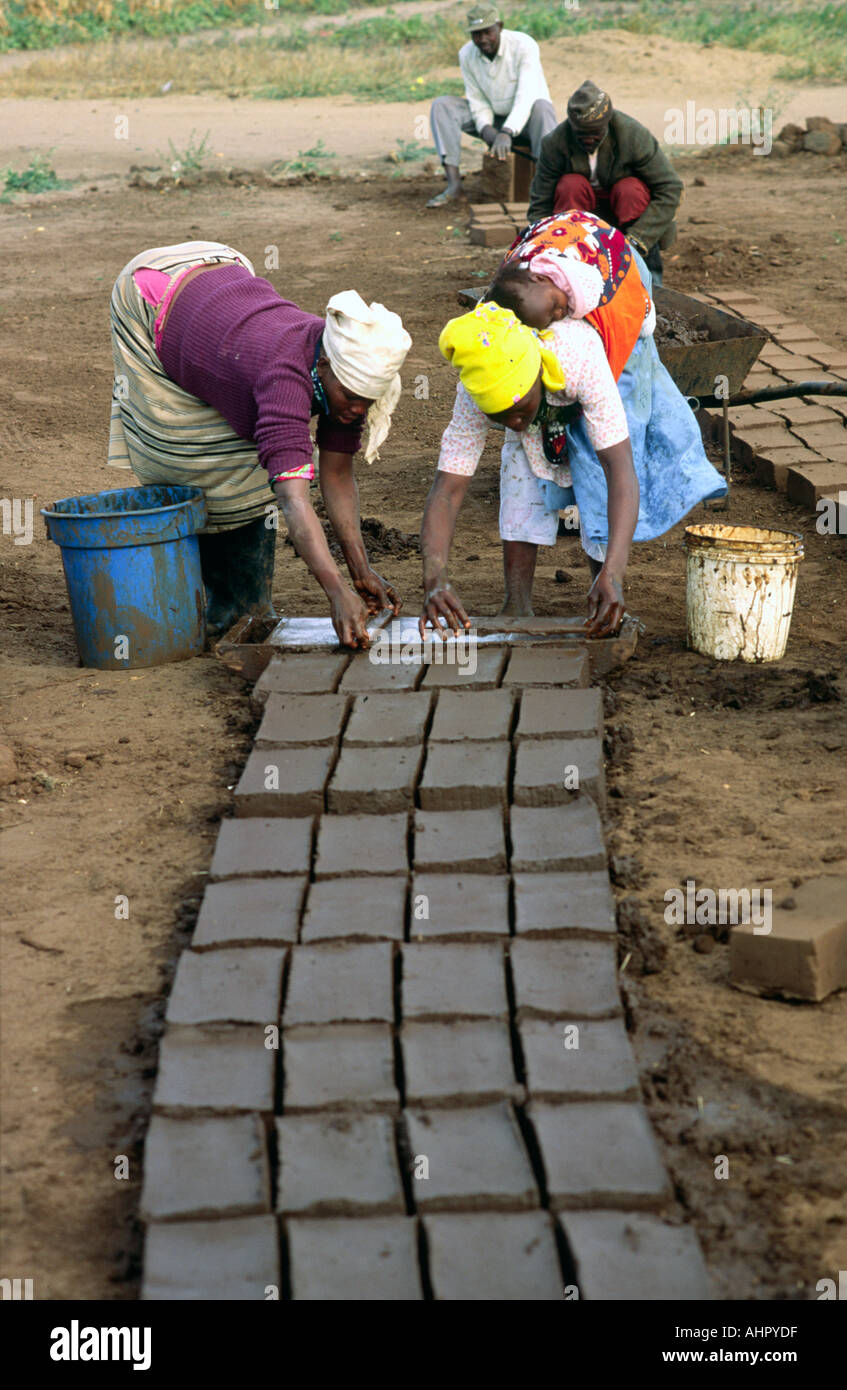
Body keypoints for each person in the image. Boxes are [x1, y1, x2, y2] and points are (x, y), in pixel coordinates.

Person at [418, 225, 726, 636]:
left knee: (596, 463)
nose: (512, 422)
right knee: (520, 461)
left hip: (616, 286)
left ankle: (605, 585)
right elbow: (448, 487)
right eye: (501, 418)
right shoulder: (480, 378)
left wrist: (614, 572)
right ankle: (517, 602)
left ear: (538, 377)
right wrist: (435, 579)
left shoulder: (581, 354)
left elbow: (619, 470)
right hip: (544, 264)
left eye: (518, 410)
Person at [108, 241, 411, 647]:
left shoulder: (343, 376)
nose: (359, 410)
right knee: (194, 454)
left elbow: (336, 474)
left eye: (367, 402)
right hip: (151, 291)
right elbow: (294, 500)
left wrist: (360, 572)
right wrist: (335, 592)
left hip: (224, 266)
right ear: (322, 367)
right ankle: (205, 605)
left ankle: (246, 606)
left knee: (252, 454)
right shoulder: (285, 379)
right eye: (353, 399)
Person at [527, 80, 683, 282]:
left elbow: (670, 187)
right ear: (572, 126)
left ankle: (650, 276)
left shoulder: (633, 135)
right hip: (583, 222)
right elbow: (540, 203)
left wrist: (638, 239)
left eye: (596, 133)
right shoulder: (555, 143)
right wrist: (545, 245)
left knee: (630, 189)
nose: (589, 139)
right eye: (581, 134)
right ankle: (572, 268)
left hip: (628, 218)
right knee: (570, 186)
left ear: (608, 122)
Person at [426, 3, 557, 209]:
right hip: (494, 119)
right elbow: (476, 98)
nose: (483, 39)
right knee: (442, 106)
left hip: (529, 119)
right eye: (476, 34)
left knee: (542, 107)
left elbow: (527, 95)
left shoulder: (524, 45)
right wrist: (486, 128)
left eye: (488, 32)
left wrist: (507, 131)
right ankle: (454, 187)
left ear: (500, 26)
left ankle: (547, 190)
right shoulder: (466, 54)